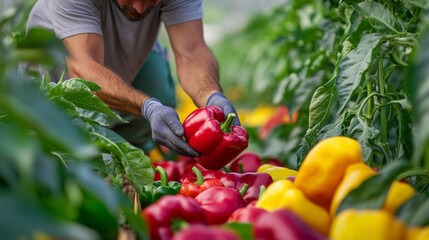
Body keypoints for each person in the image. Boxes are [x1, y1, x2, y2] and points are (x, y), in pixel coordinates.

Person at [26, 0, 241, 157]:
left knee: (157, 86)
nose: (140, 8)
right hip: (60, 70)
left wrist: (211, 96)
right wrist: (147, 107)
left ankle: (133, 152)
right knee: (62, 140)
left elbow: (192, 51)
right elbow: (84, 70)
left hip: (127, 55)